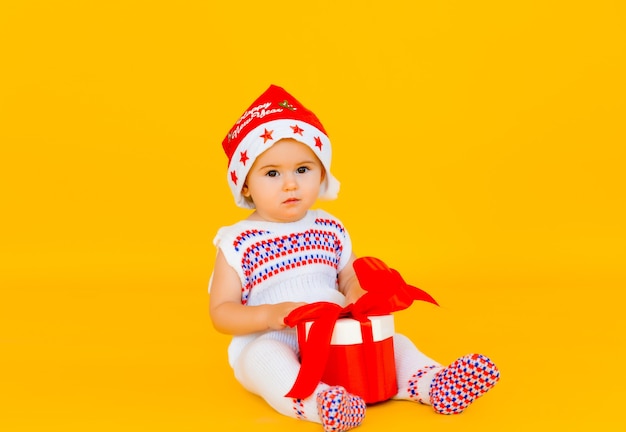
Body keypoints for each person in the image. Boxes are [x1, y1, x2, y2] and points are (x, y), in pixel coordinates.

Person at [208, 85, 500, 432]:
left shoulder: (330, 227)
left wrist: (357, 293)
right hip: (275, 336)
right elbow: (221, 312)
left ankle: (432, 383)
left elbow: (348, 276)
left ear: (321, 172)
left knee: (393, 344)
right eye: (272, 173)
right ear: (244, 185)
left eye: (303, 169)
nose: (290, 184)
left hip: (335, 330)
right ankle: (319, 403)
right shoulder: (237, 241)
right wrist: (270, 315)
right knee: (263, 361)